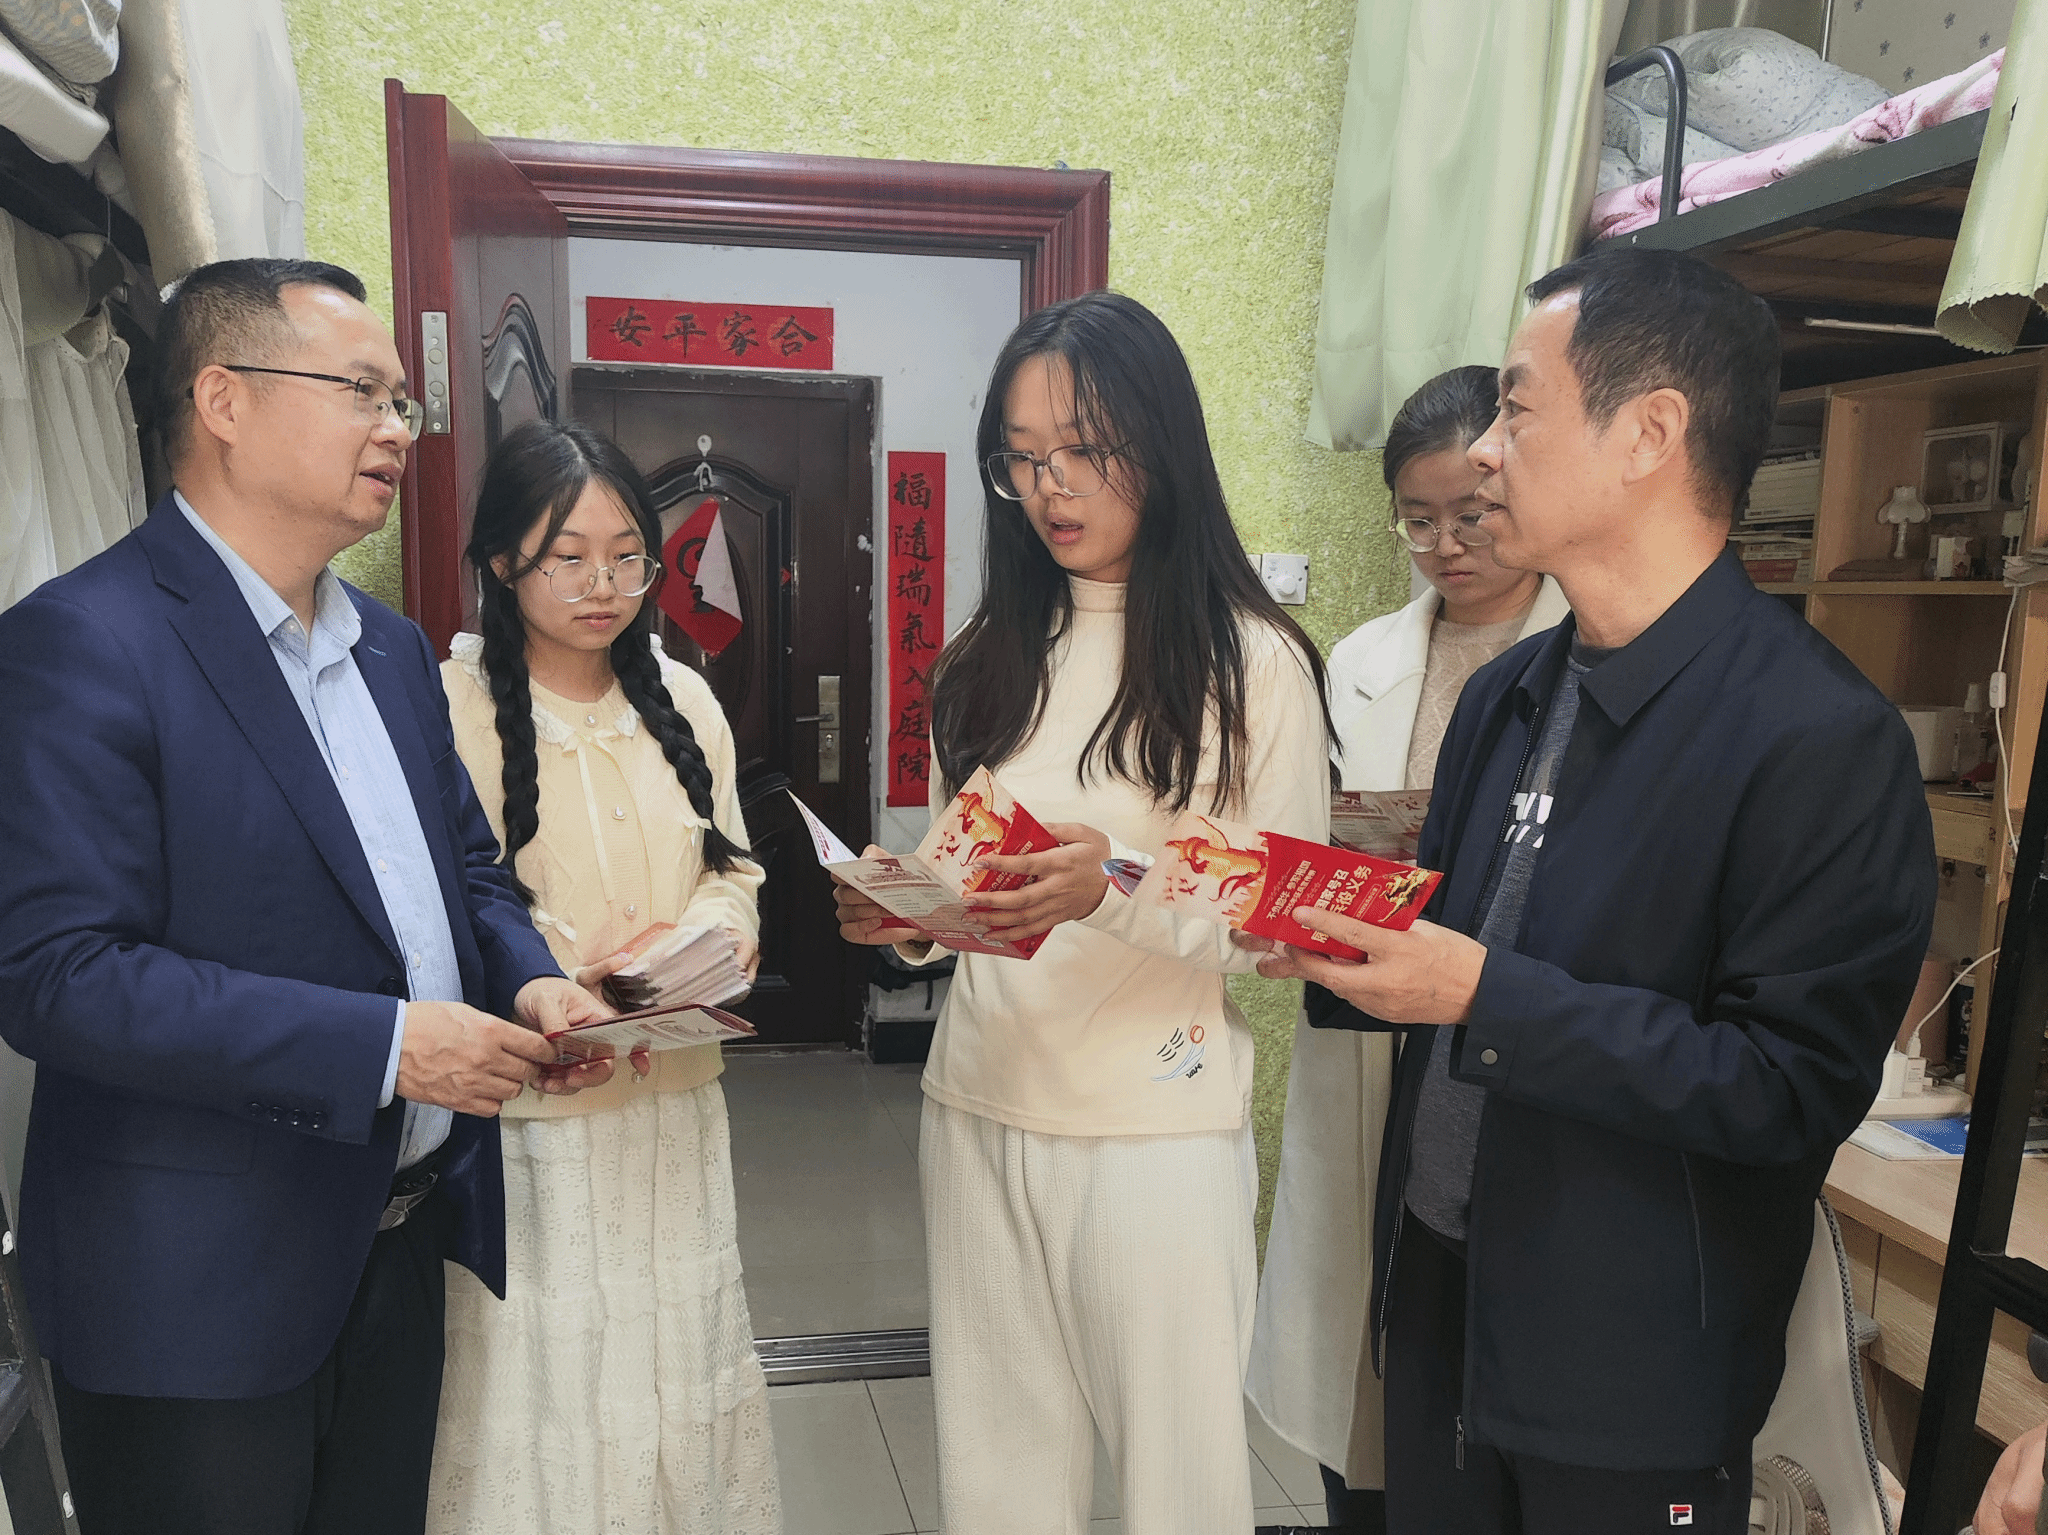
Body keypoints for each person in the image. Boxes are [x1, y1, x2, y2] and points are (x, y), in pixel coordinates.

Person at [1247, 245, 1935, 1533]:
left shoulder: (1816, 737)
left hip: (1628, 1374)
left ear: (1648, 434)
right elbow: (1460, 954)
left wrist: (1479, 989)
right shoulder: (1511, 694)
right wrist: (1343, 942)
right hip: (1442, 1302)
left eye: (1515, 407)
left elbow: (1784, 1087)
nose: (1483, 450)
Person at [0, 257, 611, 1535]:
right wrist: (386, 1047)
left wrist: (532, 979)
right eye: (362, 392)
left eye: (401, 401)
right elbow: (59, 974)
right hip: (190, 1291)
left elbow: (467, 870)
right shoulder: (85, 639)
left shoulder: (387, 646)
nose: (397, 427)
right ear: (223, 399)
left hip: (390, 1246)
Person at [833, 290, 1333, 1535]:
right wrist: (907, 915)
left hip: (1151, 1126)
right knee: (997, 1473)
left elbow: (1279, 921)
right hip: (978, 1097)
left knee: (1178, 1487)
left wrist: (1111, 882)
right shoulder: (986, 653)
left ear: (1161, 444)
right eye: (1020, 457)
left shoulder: (1253, 662)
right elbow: (963, 863)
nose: (1048, 487)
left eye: (1083, 450)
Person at [427, 418, 779, 1533]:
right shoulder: (449, 706)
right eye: (567, 557)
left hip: (675, 1105)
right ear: (502, 561)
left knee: (675, 1377)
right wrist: (561, 977)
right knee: (551, 1388)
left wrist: (714, 936)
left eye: (628, 557)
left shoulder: (684, 699)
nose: (603, 587)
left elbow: (732, 866)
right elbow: (445, 907)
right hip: (536, 1124)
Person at [1245, 364, 1566, 1534]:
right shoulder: (1360, 659)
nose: (1444, 546)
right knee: (1362, 1382)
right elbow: (1312, 833)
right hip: (1367, 1039)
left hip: (1501, 1037)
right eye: (1416, 520)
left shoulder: (1585, 648)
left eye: (1467, 516)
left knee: (1487, 1384)